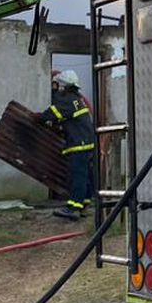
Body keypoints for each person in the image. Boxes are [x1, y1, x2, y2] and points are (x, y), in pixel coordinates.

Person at [39, 69, 95, 220]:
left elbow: (50, 114)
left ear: (63, 85)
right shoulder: (77, 98)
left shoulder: (66, 99)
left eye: (59, 85)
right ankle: (83, 204)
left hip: (79, 143)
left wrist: (41, 118)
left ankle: (73, 208)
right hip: (87, 142)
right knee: (85, 175)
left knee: (77, 175)